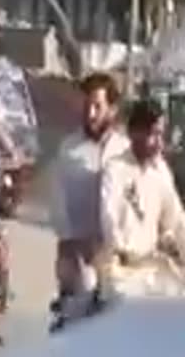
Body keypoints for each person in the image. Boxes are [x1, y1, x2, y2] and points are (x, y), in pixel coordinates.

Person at [98, 100, 185, 298]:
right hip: (122, 273)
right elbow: (108, 215)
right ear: (134, 133)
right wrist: (120, 249)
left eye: (160, 134)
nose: (158, 142)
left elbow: (178, 219)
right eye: (152, 134)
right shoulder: (116, 168)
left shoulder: (160, 171)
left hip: (152, 269)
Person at [49, 72, 130, 296]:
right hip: (76, 253)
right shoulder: (69, 149)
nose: (91, 114)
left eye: (97, 107)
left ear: (112, 109)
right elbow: (57, 203)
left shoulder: (125, 150)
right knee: (83, 289)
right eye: (86, 107)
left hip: (116, 256)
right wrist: (71, 242)